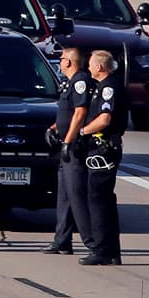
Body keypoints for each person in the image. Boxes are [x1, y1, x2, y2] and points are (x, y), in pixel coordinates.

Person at [71, 52, 124, 266]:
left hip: (103, 150)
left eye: (91, 65)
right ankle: (112, 251)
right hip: (103, 148)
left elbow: (104, 119)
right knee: (106, 200)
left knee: (98, 199)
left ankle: (101, 250)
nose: (89, 68)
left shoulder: (108, 87)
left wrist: (82, 132)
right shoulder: (103, 86)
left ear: (100, 67)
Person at [45, 47, 90, 255]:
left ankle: (92, 242)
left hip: (74, 147)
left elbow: (80, 113)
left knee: (75, 195)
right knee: (63, 195)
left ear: (70, 62)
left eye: (62, 59)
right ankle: (61, 240)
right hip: (65, 143)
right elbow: (67, 112)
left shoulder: (80, 82)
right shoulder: (69, 83)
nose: (60, 62)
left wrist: (68, 141)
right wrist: (54, 128)